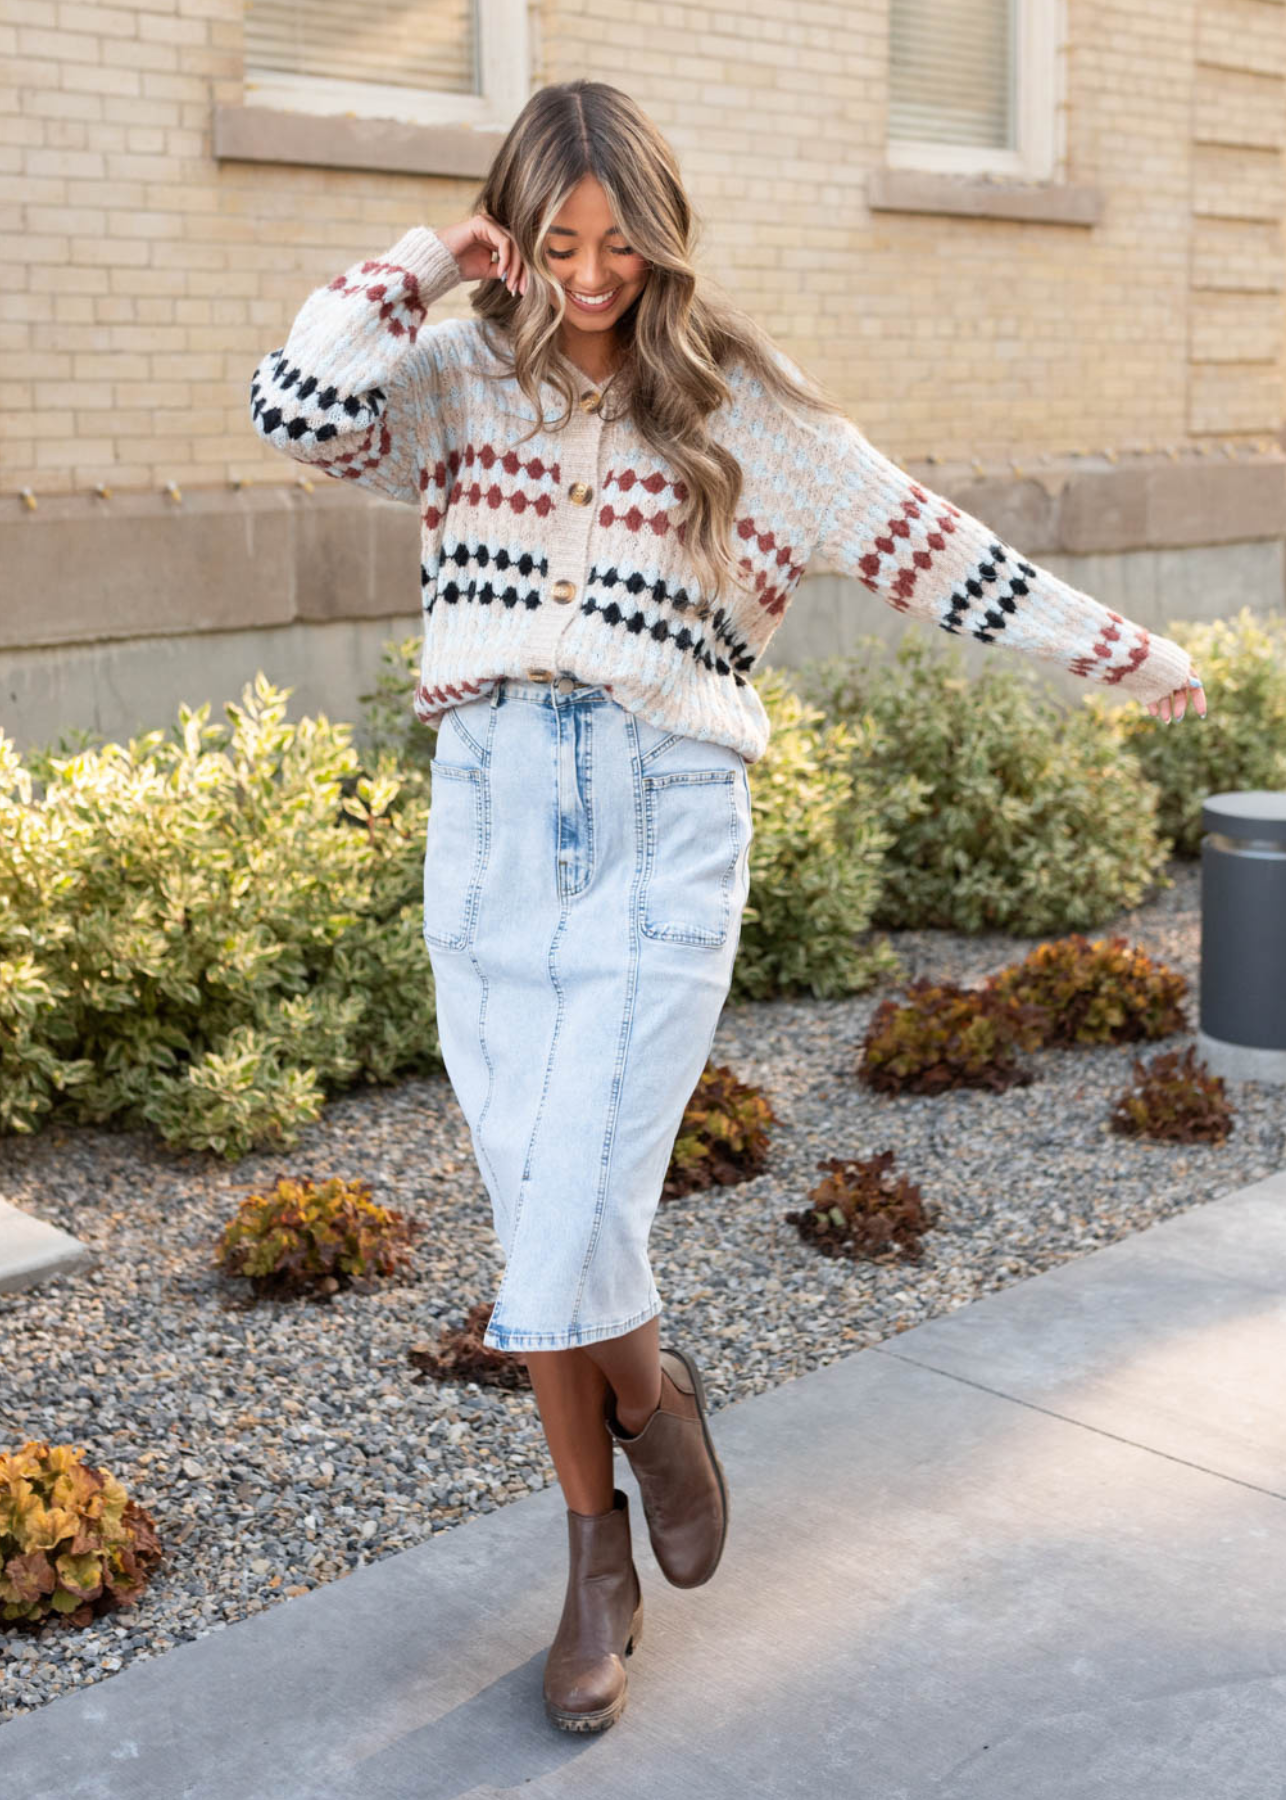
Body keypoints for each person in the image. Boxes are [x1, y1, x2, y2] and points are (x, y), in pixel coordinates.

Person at [249, 78, 1208, 1734]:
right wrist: (420, 260)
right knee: (541, 1203)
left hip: (661, 815)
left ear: (664, 237)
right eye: (556, 242)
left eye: (619, 241)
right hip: (484, 817)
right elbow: (284, 408)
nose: (592, 272)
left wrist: (1121, 652)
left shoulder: (739, 407)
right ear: (518, 233)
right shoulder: (452, 376)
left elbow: (929, 545)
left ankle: (631, 1460)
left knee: (570, 1202)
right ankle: (607, 1512)